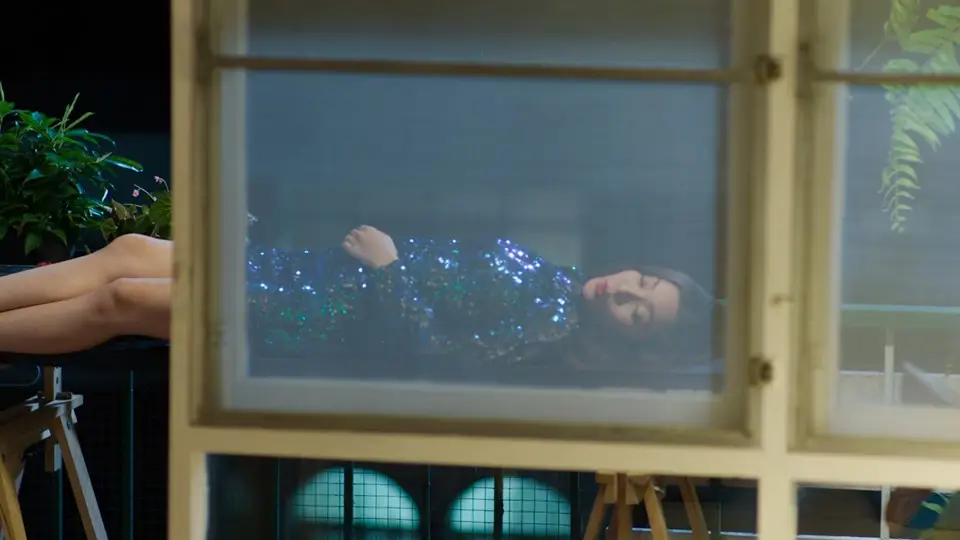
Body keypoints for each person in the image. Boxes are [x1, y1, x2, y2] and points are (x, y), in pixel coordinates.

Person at [0, 227, 714, 375]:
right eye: (644, 283)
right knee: (130, 251)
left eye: (637, 312)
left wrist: (389, 268)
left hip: (319, 313)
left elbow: (435, 350)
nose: (624, 291)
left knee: (123, 299)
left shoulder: (553, 329)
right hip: (316, 272)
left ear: (629, 339)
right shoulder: (559, 279)